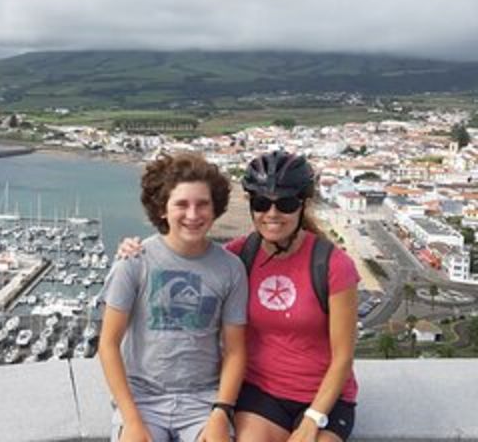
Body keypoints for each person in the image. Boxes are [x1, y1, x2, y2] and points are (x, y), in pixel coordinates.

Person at [117, 150, 360, 442]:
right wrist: (133, 250)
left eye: (284, 204)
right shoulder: (237, 257)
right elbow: (190, 256)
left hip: (325, 397)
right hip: (262, 392)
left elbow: (343, 356)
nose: (272, 214)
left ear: (302, 205)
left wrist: (312, 419)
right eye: (261, 203)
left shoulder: (332, 265)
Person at [99, 152, 249, 442]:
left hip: (203, 401)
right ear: (162, 210)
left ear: (215, 208)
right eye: (181, 204)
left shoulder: (231, 269)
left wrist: (221, 411)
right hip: (142, 398)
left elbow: (235, 350)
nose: (193, 215)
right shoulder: (134, 261)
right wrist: (130, 420)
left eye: (202, 204)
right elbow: (108, 344)